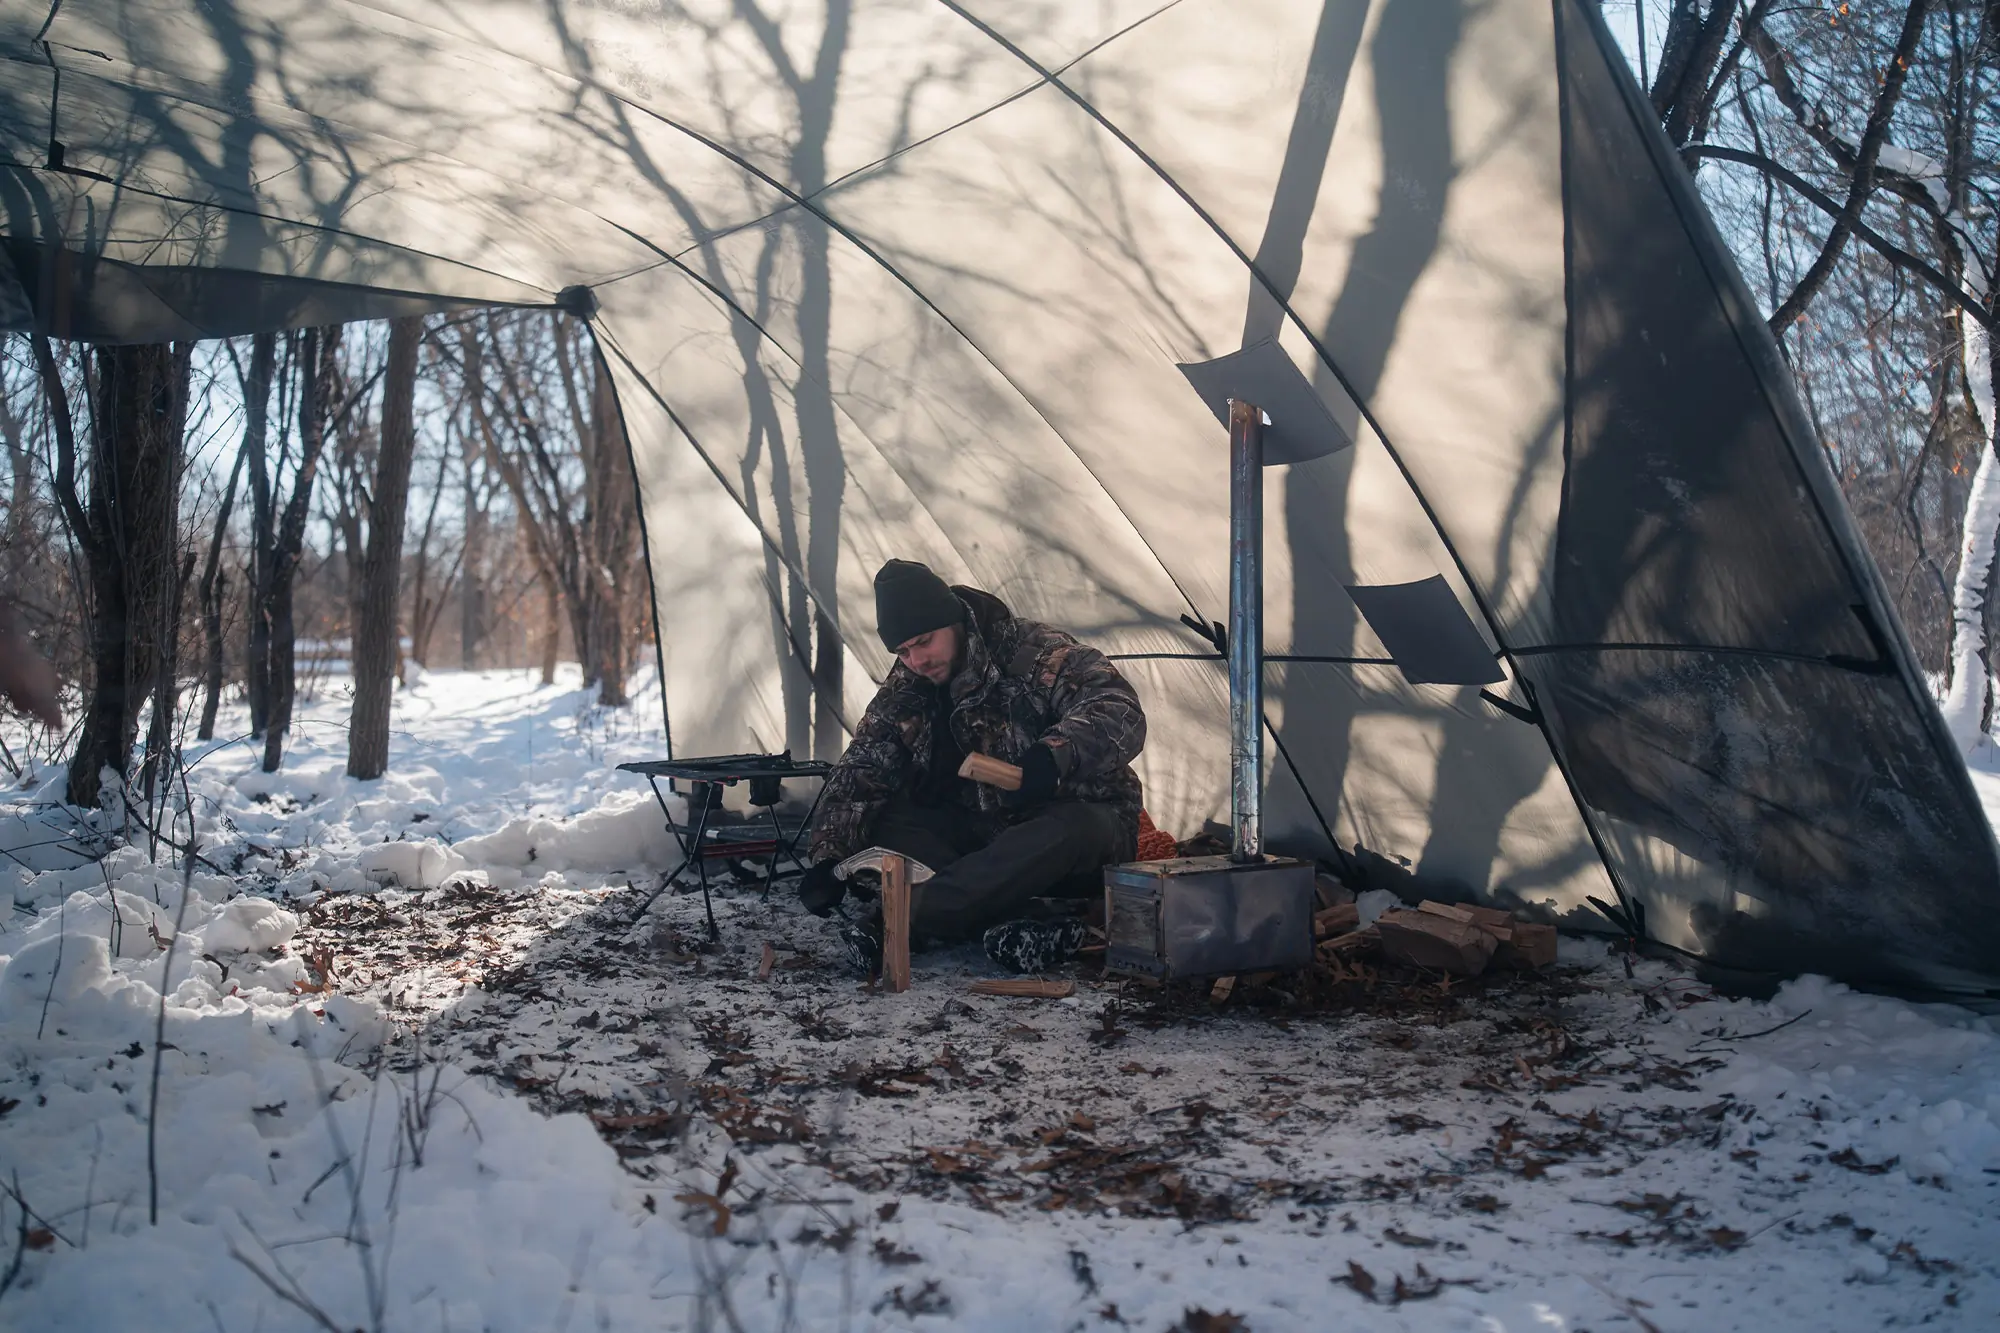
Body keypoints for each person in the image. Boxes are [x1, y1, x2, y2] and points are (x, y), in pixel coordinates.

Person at [797, 559, 1145, 972]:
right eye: (903, 651)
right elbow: (861, 768)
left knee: (1066, 831)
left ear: (954, 620)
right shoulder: (909, 685)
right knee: (881, 820)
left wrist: (1053, 756)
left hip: (1077, 830)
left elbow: (1118, 709)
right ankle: (1020, 921)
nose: (916, 660)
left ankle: (899, 922)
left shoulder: (1036, 653)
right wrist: (828, 856)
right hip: (983, 836)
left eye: (924, 642)